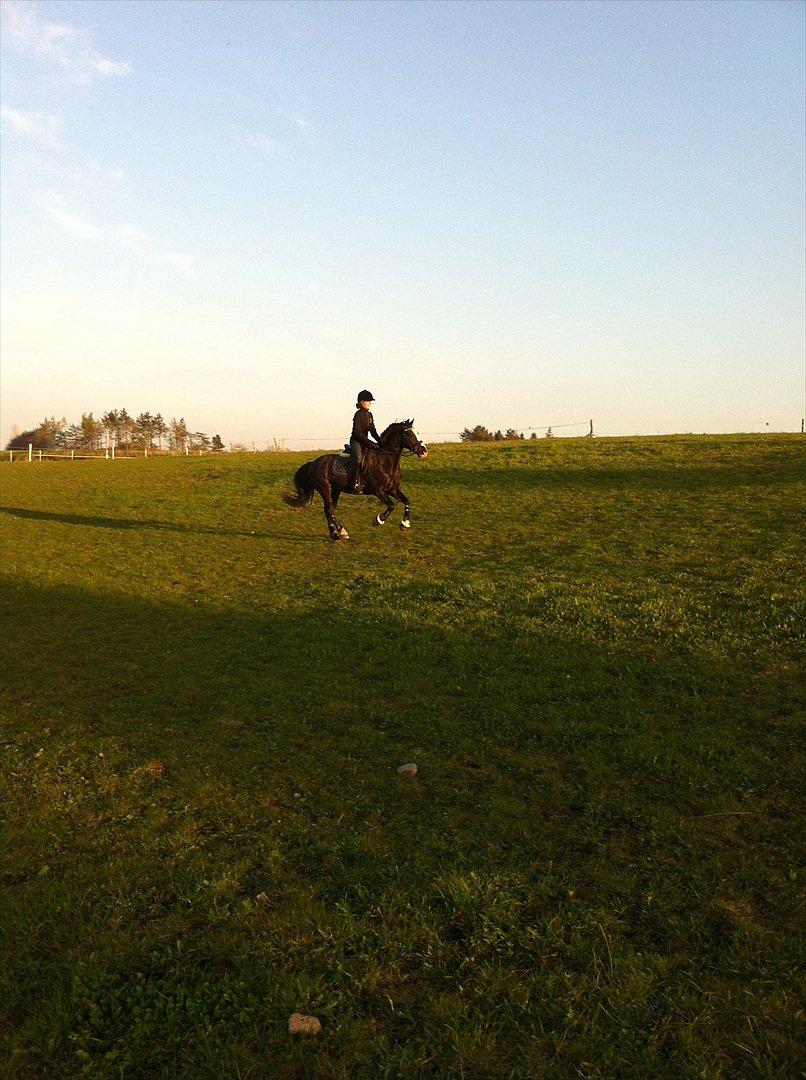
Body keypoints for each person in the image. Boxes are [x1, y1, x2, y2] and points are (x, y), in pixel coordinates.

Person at [349, 390, 380, 493]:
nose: (370, 403)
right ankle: (355, 483)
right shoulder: (358, 414)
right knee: (358, 459)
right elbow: (357, 433)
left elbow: (373, 431)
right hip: (356, 442)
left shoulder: (370, 415)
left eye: (371, 401)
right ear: (362, 402)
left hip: (365, 442)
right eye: (368, 401)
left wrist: (380, 441)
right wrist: (370, 443)